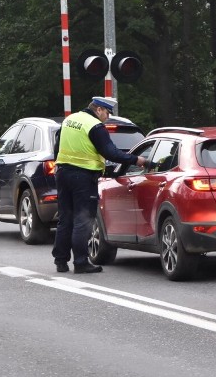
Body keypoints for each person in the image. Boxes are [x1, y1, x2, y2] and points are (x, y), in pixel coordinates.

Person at [52, 96, 147, 274]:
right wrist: (137, 160)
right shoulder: (95, 126)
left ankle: (60, 261)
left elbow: (57, 147)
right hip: (83, 177)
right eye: (107, 112)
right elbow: (110, 152)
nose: (108, 116)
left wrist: (59, 164)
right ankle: (81, 262)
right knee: (83, 219)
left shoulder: (70, 119)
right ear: (99, 110)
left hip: (63, 174)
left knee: (65, 217)